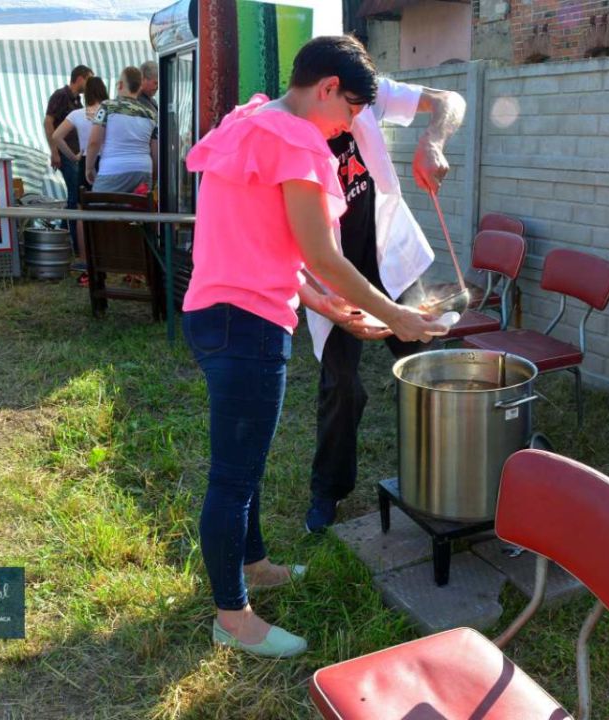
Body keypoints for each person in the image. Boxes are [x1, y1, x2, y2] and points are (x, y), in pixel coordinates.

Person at [182, 35, 444, 659]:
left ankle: (254, 564)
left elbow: (265, 240)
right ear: (327, 88)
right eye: (351, 108)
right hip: (248, 324)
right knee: (233, 478)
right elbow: (323, 255)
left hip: (216, 315)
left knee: (245, 466)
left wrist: (325, 306)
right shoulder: (298, 140)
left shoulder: (249, 120)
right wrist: (397, 316)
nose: (350, 125)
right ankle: (232, 617)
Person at [303, 76, 467, 533]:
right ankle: (328, 490)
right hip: (335, 274)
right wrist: (317, 296)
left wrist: (432, 141)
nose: (357, 118)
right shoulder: (294, 129)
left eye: (363, 109)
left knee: (428, 368)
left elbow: (450, 100)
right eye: (350, 109)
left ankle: (449, 471)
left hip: (387, 258)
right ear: (326, 90)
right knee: (341, 385)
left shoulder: (367, 91)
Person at [53, 75, 109, 279]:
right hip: (108, 161)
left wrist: (73, 156)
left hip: (86, 160)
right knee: (109, 209)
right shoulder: (110, 112)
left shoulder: (77, 114)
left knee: (82, 211)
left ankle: (85, 259)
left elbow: (56, 136)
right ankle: (108, 257)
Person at [85, 66, 157, 193]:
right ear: (140, 87)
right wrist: (153, 175)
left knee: (98, 203)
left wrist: (89, 168)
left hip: (113, 170)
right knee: (139, 205)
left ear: (120, 85)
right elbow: (155, 151)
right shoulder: (150, 114)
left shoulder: (107, 107)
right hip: (143, 171)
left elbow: (94, 142)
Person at [44, 64, 93, 251]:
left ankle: (64, 237)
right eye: (89, 79)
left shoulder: (78, 101)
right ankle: (74, 244)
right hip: (66, 154)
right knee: (75, 195)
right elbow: (48, 122)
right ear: (80, 78)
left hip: (75, 154)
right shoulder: (61, 96)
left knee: (75, 195)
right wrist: (55, 151)